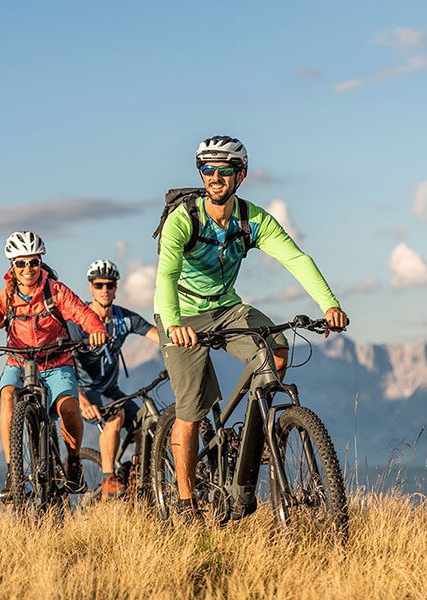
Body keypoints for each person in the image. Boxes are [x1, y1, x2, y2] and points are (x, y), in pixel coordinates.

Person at [154, 135, 349, 520]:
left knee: (276, 350)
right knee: (191, 410)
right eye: (207, 169)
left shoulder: (251, 219)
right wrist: (174, 323)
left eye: (223, 170)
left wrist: (329, 304)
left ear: (240, 175)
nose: (214, 177)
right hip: (182, 313)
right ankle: (186, 499)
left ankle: (254, 436)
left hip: (227, 307)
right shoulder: (184, 219)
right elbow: (166, 274)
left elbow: (295, 257)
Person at [0, 231, 108, 501]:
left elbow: (82, 313)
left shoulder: (55, 291)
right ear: (11, 265)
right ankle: (15, 474)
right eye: (21, 263)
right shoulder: (4, 297)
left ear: (40, 262)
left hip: (56, 361)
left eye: (33, 262)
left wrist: (95, 329)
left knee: (69, 407)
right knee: (8, 396)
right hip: (19, 361)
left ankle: (73, 463)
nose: (28, 269)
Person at [68, 259, 160, 499]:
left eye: (110, 284)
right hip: (87, 391)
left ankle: (138, 473)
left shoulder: (124, 319)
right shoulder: (79, 322)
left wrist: (180, 346)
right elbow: (63, 365)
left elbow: (157, 336)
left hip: (112, 388)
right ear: (90, 287)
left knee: (146, 421)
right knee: (116, 415)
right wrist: (82, 401)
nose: (105, 290)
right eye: (99, 285)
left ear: (117, 287)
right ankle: (109, 477)